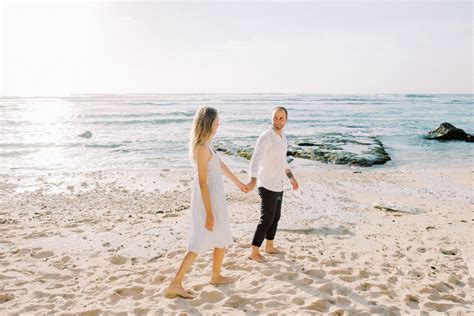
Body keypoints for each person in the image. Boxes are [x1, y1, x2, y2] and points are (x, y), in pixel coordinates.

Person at [164, 106, 248, 299]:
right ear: (209, 122)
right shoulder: (201, 149)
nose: (219, 123)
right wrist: (209, 214)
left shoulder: (209, 143)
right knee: (198, 241)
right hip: (207, 198)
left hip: (216, 196)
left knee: (222, 234)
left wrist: (238, 184)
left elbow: (221, 165)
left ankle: (216, 275)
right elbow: (202, 183)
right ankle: (175, 284)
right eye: (217, 120)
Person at [246, 106, 299, 263]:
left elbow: (283, 161)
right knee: (266, 219)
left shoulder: (283, 136)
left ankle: (269, 246)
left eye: (281, 118)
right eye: (275, 117)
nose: (277, 121)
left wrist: (291, 177)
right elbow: (255, 159)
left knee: (276, 217)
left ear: (286, 120)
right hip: (266, 184)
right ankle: (254, 252)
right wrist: (253, 180)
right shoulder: (266, 137)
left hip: (278, 183)